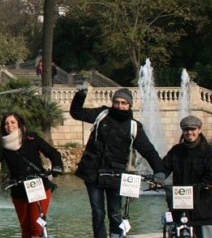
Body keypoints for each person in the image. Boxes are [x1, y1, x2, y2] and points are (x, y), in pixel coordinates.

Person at [70, 87, 166, 238]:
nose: (120, 106)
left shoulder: (134, 126)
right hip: (93, 172)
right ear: (112, 103)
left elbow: (148, 150)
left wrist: (159, 170)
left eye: (123, 103)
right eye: (116, 102)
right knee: (98, 213)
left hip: (116, 174)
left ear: (129, 105)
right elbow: (76, 113)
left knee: (115, 213)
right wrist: (80, 95)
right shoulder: (102, 114)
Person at [0, 113, 63, 238]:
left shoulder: (31, 138)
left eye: (13, 122)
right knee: (25, 227)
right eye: (6, 123)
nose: (10, 125)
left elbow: (53, 153)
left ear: (19, 123)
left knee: (36, 226)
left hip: (37, 184)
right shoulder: (4, 145)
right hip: (18, 187)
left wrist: (57, 166)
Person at [160, 115, 212, 238]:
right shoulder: (176, 150)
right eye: (186, 130)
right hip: (180, 203)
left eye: (193, 129)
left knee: (207, 233)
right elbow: (164, 167)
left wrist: (200, 185)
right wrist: (158, 178)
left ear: (199, 130)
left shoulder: (209, 151)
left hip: (202, 204)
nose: (189, 132)